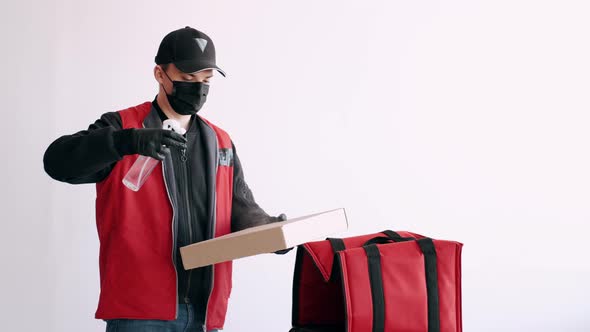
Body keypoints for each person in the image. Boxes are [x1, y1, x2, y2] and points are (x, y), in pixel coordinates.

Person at [43, 26, 290, 332]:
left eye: (206, 80)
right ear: (160, 74)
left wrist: (269, 231)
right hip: (139, 312)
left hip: (204, 310)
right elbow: (57, 162)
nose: (197, 88)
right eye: (187, 79)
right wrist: (125, 142)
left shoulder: (220, 141)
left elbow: (240, 208)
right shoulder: (122, 126)